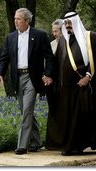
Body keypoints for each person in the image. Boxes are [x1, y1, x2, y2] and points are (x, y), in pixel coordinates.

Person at [0, 8, 55, 155]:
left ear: (27, 20)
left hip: (33, 78)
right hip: (18, 78)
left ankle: (23, 145)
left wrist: (48, 74)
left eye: (18, 19)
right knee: (25, 111)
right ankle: (36, 141)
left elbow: (49, 57)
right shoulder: (11, 37)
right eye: (15, 18)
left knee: (27, 110)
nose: (15, 21)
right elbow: (5, 58)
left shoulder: (39, 36)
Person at [53, 11, 96, 155]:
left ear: (76, 22)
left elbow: (95, 59)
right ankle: (69, 145)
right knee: (69, 117)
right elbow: (56, 61)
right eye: (66, 23)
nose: (68, 26)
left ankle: (75, 147)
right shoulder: (63, 40)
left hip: (82, 86)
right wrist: (49, 76)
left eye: (70, 23)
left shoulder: (89, 37)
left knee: (80, 117)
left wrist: (87, 76)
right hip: (67, 88)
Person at [44, 19, 64, 150]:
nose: (54, 34)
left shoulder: (68, 45)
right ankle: (53, 141)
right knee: (53, 111)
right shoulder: (51, 44)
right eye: (53, 31)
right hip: (52, 83)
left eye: (56, 31)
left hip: (63, 83)